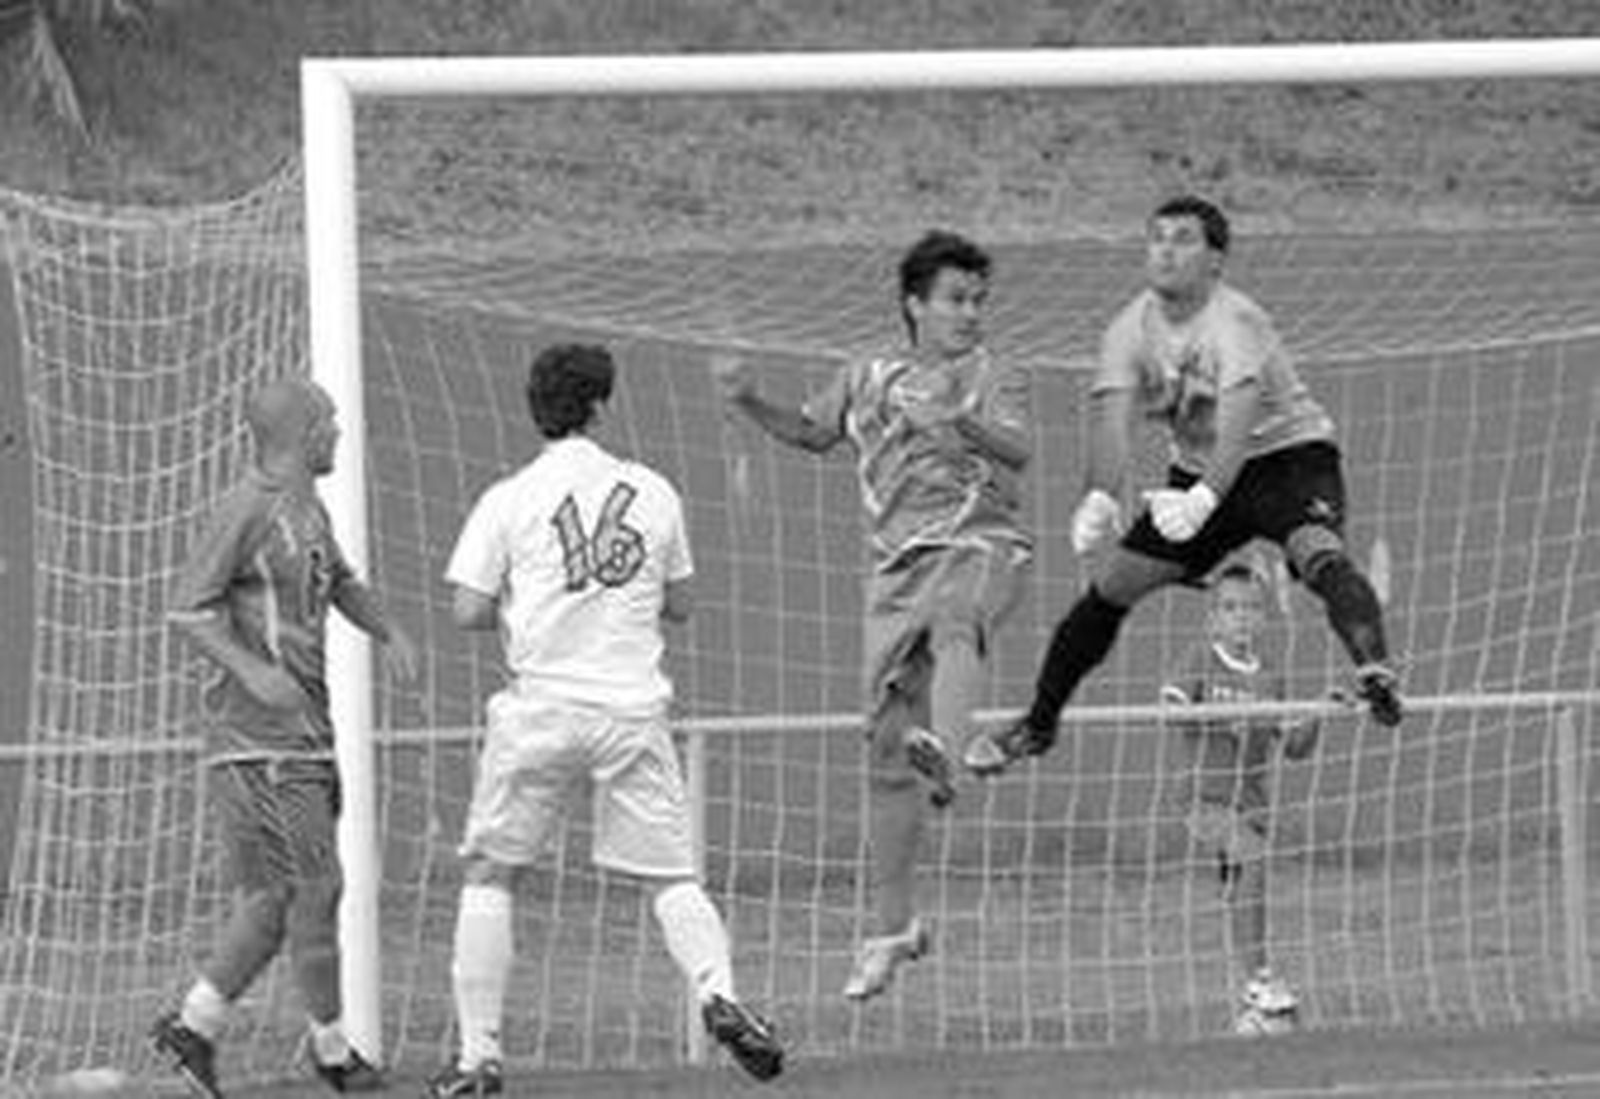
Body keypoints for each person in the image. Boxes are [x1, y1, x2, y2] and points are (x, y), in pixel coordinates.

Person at [426, 343, 783, 1097]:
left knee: (493, 872)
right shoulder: (652, 491)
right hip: (631, 710)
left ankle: (478, 1058)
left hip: (543, 707)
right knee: (671, 877)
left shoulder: (509, 497)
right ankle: (720, 992)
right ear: (599, 406)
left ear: (538, 411)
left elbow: (466, 609)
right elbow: (682, 603)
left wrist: (540, 605)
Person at [967, 194, 1400, 776]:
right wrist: (1098, 496)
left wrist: (1201, 501)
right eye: (1157, 237)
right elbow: (1113, 424)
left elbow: (1239, 424)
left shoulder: (1236, 321)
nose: (1166, 249)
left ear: (1216, 261)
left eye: (1184, 238)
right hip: (1198, 475)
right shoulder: (1128, 329)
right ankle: (1038, 726)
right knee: (1108, 590)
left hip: (1287, 459)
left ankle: (1375, 669)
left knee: (1319, 555)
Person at [712, 230, 1033, 1001]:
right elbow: (812, 432)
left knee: (960, 619)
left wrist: (961, 418)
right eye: (956, 299)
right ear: (914, 304)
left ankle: (950, 755)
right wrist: (747, 398)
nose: (970, 313)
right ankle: (892, 930)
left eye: (978, 300)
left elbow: (1019, 450)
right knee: (885, 757)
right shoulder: (866, 377)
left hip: (980, 544)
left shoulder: (992, 372)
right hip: (895, 575)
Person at [154, 377, 420, 1098]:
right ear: (302, 433)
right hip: (260, 739)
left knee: (268, 904)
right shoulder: (246, 506)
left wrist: (387, 627)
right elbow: (186, 606)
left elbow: (340, 583)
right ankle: (333, 1055)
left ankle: (194, 1027)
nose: (338, 432)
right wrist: (252, 671)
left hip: (297, 735)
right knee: (317, 886)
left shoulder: (310, 509)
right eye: (330, 421)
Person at [1160, 562, 1323, 1035]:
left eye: (1252, 608)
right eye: (1230, 608)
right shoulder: (1200, 660)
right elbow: (1172, 711)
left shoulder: (1271, 677)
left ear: (1265, 618)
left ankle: (1253, 999)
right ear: (1213, 619)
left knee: (1244, 893)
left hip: (1250, 805)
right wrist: (1213, 713)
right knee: (1251, 858)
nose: (1242, 617)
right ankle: (1261, 981)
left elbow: (1294, 748)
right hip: (1203, 799)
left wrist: (1316, 716)